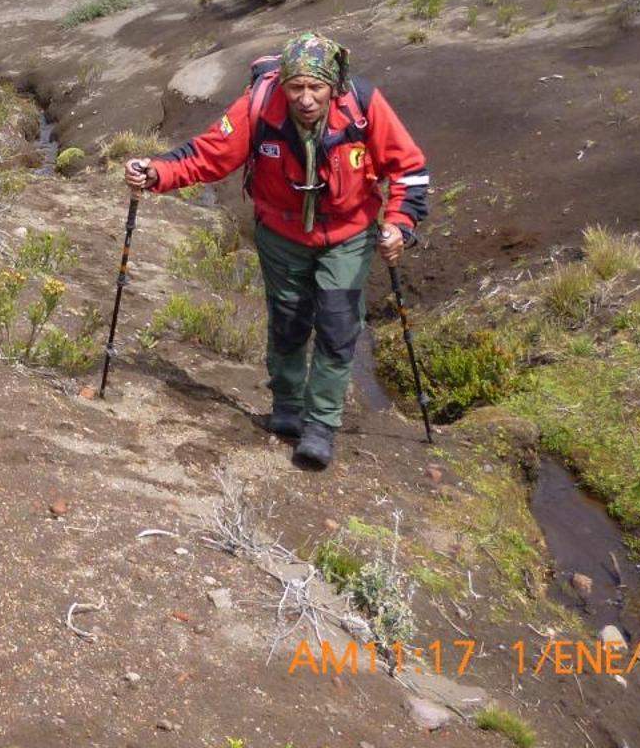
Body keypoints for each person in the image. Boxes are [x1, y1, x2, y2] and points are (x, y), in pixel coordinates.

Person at [123, 31, 428, 470]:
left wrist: (400, 224)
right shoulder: (258, 104)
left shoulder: (363, 106)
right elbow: (209, 154)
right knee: (288, 319)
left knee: (339, 325)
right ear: (283, 83)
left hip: (348, 233)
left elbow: (409, 169)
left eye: (315, 88)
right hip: (282, 235)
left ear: (334, 86)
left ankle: (321, 424)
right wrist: (156, 173)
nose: (305, 99)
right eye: (296, 87)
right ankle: (287, 405)